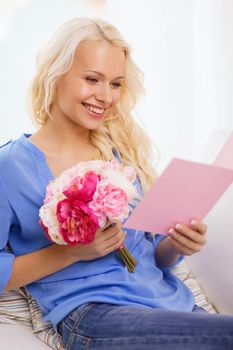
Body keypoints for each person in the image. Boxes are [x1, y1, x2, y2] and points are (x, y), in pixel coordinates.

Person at [0, 17, 232, 350]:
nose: (105, 96)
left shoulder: (118, 153)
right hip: (95, 314)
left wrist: (177, 245)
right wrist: (70, 254)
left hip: (170, 303)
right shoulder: (10, 166)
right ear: (55, 75)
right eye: (92, 79)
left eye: (116, 84)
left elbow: (151, 255)